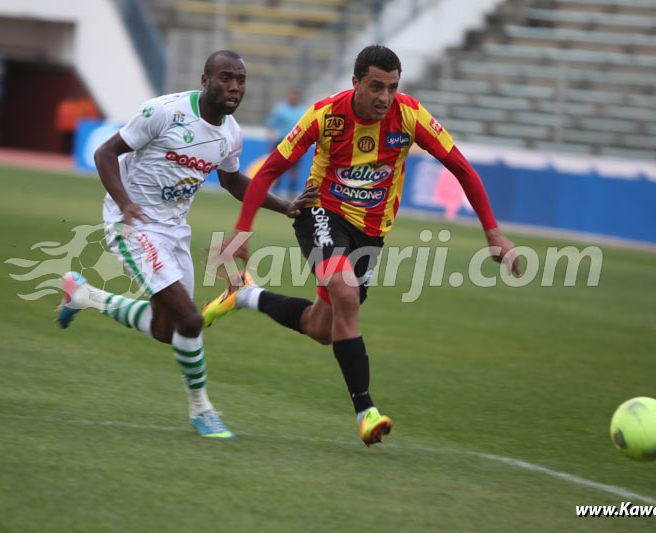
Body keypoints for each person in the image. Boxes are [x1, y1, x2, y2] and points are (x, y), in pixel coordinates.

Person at [203, 45, 521, 446]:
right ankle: (366, 412)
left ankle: (244, 294)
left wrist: (492, 232)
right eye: (375, 87)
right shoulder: (326, 115)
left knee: (322, 328)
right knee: (346, 295)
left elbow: (462, 168)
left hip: (371, 233)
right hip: (321, 212)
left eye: (391, 87)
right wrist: (243, 228)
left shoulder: (409, 115)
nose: (384, 98)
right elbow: (270, 169)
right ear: (355, 83)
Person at [56, 50, 318, 439]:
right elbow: (104, 152)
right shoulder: (162, 113)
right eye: (226, 77)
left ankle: (83, 295)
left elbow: (232, 182)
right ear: (205, 80)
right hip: (133, 226)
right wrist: (126, 203)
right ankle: (202, 410)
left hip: (175, 231)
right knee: (191, 320)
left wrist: (284, 206)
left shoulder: (230, 133)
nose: (234, 86)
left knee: (168, 330)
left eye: (241, 80)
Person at [264, 88, 305, 195]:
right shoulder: (280, 109)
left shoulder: (303, 111)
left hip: (297, 143)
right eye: (292, 95)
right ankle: (274, 192)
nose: (294, 97)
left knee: (294, 171)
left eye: (296, 95)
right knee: (277, 168)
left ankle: (292, 193)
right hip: (281, 141)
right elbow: (271, 124)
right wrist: (270, 141)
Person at [55, 89, 101, 154]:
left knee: (74, 143)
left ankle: (70, 154)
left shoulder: (83, 104)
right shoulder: (68, 104)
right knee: (67, 143)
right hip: (67, 128)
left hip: (75, 128)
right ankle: (66, 154)